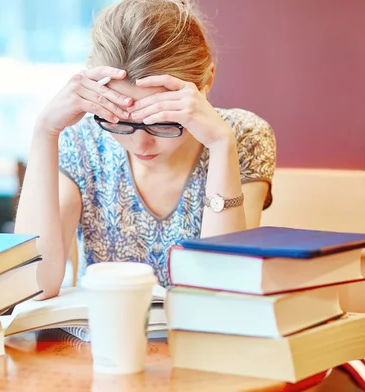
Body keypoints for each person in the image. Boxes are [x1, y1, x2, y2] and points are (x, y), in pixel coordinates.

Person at [15, 0, 276, 299]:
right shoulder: (83, 143)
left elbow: (225, 288)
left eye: (163, 123)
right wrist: (44, 131)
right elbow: (34, 286)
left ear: (207, 81)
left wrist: (220, 146)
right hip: (102, 340)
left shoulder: (242, 137)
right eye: (120, 122)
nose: (141, 144)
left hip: (204, 341)